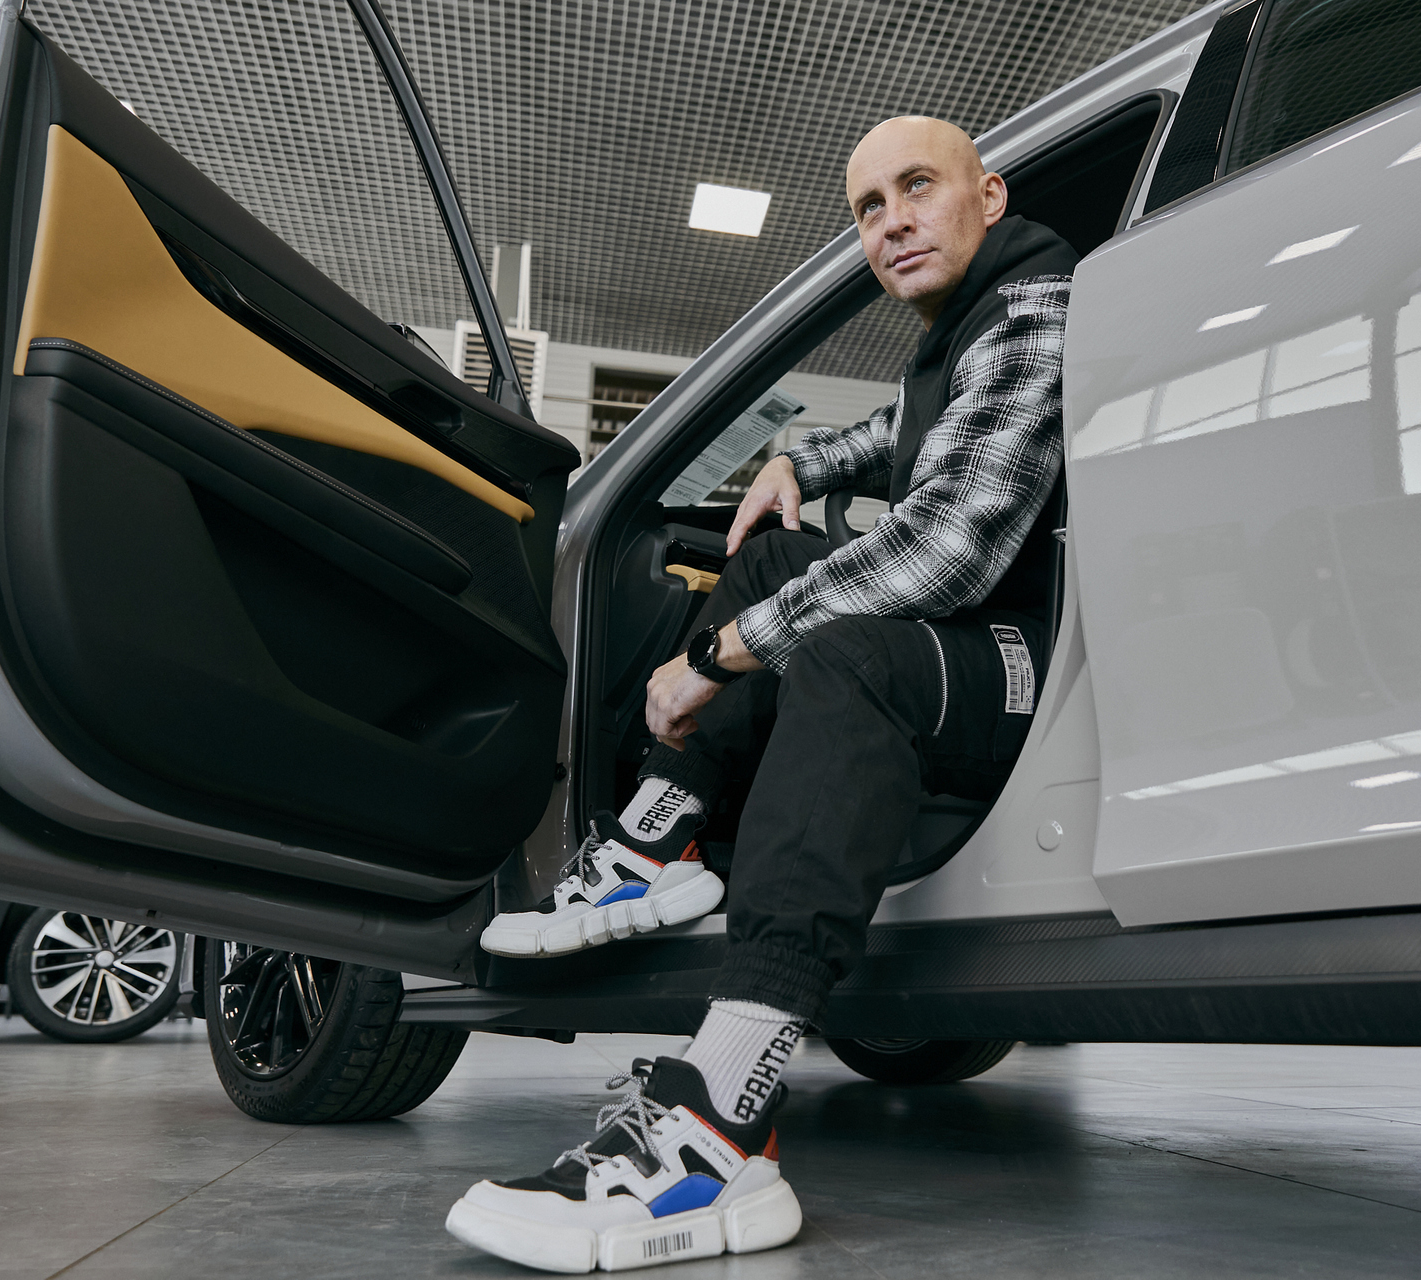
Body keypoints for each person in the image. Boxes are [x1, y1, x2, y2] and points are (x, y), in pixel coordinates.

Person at [445, 115, 1078, 1273]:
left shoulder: (1036, 313)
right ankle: (658, 842)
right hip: (983, 637)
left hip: (1033, 657)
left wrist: (720, 649)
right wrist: (799, 460)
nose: (891, 222)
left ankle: (720, 1124)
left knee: (842, 652)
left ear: (988, 196)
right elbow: (900, 431)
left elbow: (947, 551)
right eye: (869, 207)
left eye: (917, 187)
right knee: (782, 554)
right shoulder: (962, 330)